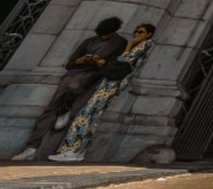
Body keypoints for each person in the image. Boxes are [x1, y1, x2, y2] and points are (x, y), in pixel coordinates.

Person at [10, 16, 128, 161]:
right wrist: (82, 60)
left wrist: (100, 62)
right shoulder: (89, 41)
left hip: (94, 77)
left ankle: (68, 146)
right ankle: (31, 148)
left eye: (106, 35)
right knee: (50, 110)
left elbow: (117, 64)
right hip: (74, 73)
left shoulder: (120, 42)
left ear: (114, 31)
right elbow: (70, 64)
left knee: (76, 98)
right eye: (101, 35)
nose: (102, 38)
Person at [45, 23, 155, 162]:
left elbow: (123, 60)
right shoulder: (143, 45)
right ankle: (77, 151)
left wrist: (129, 45)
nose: (136, 35)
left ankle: (71, 150)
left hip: (111, 84)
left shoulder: (144, 45)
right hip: (111, 84)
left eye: (140, 32)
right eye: (135, 32)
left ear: (149, 34)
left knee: (87, 114)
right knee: (92, 115)